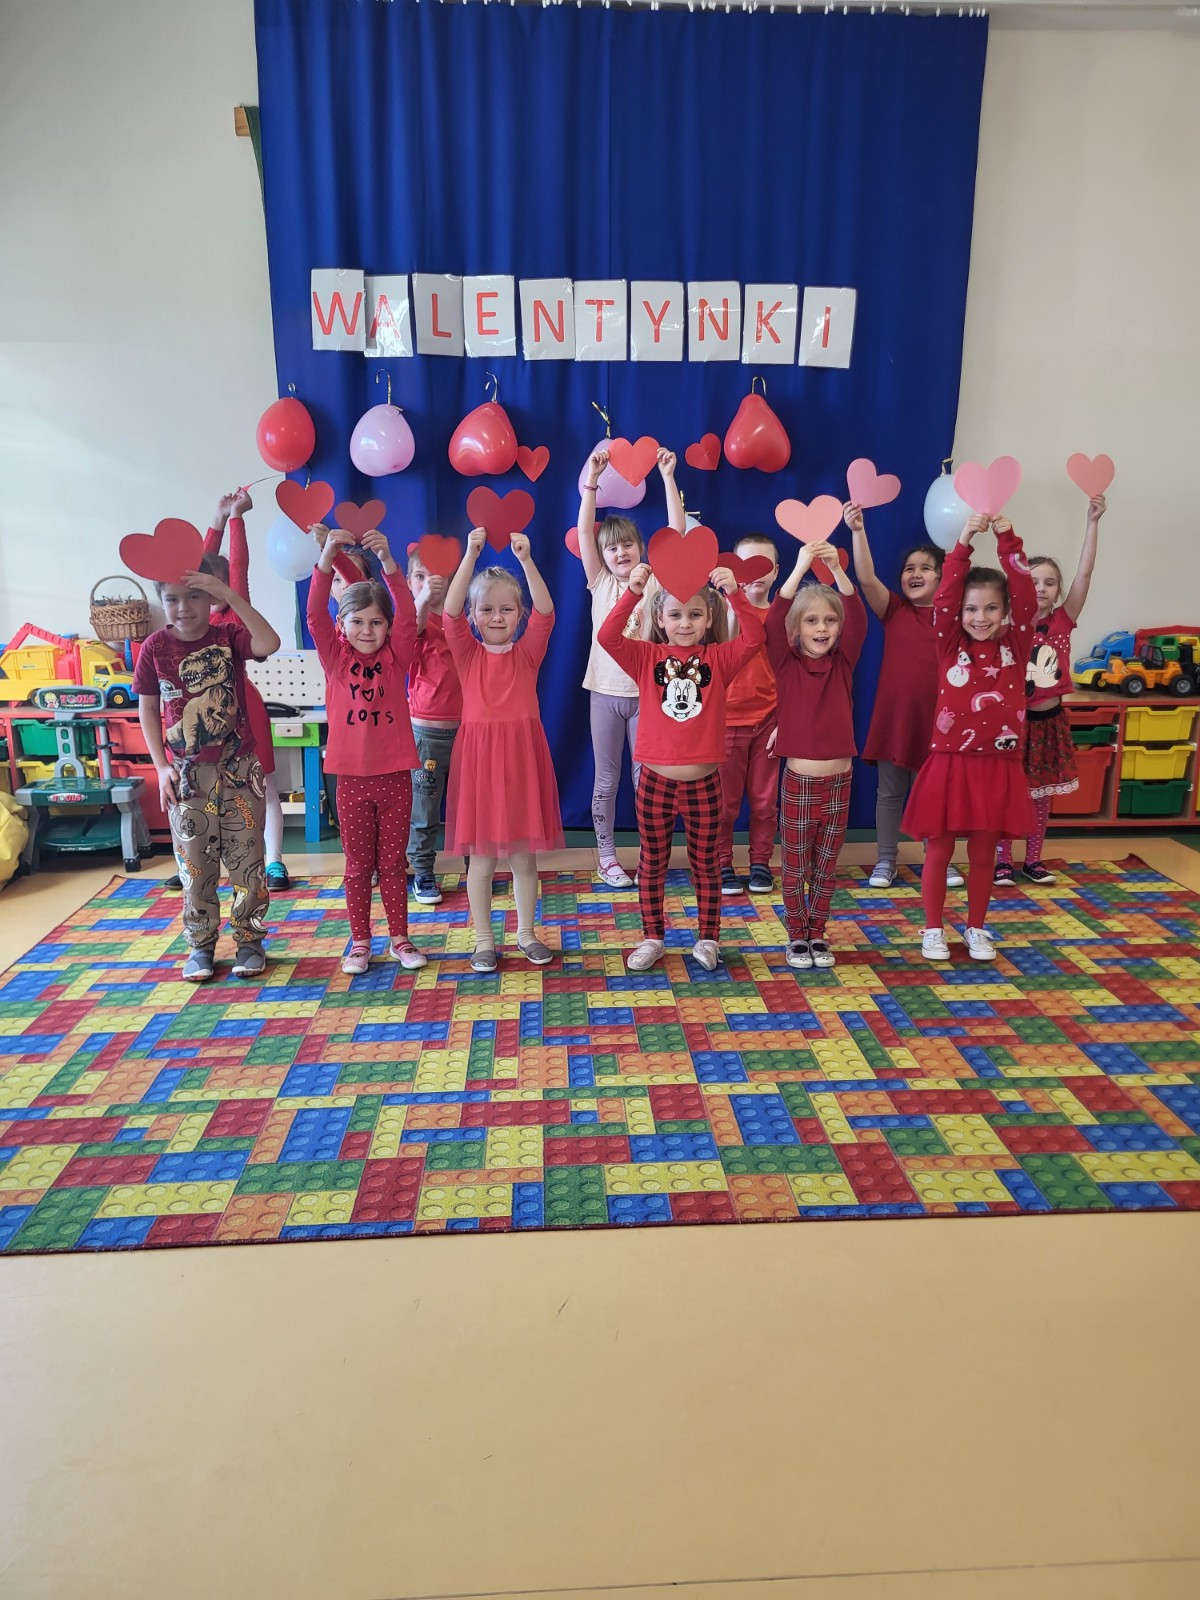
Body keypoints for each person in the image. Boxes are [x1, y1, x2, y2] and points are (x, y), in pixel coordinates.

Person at [597, 558, 764, 972]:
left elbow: (755, 638)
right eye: (675, 615)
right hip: (655, 782)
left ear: (708, 620)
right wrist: (633, 592)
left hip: (705, 783)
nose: (685, 623)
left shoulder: (719, 659)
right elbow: (607, 636)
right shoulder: (645, 656)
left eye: (694, 614)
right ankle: (653, 936)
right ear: (660, 619)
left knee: (706, 864)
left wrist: (734, 594)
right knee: (651, 863)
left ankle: (708, 938)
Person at [134, 562, 280, 982]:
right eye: (173, 599)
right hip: (186, 775)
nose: (183, 607)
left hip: (240, 770)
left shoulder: (227, 637)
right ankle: (201, 945)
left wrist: (229, 594)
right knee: (194, 864)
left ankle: (249, 941)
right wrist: (160, 766)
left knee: (248, 860)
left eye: (194, 596)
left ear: (210, 597)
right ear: (161, 601)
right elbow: (147, 708)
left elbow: (269, 641)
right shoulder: (154, 648)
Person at [903, 513, 1038, 962]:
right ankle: (932, 929)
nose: (981, 618)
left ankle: (976, 927)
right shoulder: (949, 644)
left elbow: (1024, 592)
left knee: (984, 854)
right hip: (950, 763)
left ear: (1006, 612)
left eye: (991, 608)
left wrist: (1006, 537)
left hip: (998, 766)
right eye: (972, 609)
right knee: (939, 851)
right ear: (958, 613)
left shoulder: (1016, 645)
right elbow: (945, 595)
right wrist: (963, 540)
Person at [443, 528, 563, 973]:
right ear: (474, 616)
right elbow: (449, 613)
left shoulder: (527, 654)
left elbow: (546, 613)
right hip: (479, 764)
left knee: (523, 859)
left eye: (507, 609)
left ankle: (526, 933)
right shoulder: (467, 654)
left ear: (519, 614)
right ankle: (483, 941)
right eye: (487, 609)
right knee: (481, 861)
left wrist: (527, 561)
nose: (497, 617)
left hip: (521, 762)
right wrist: (470, 555)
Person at [307, 526, 427, 975]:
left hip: (395, 777)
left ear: (388, 627)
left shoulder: (396, 657)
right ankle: (360, 942)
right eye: (357, 622)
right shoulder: (335, 659)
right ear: (342, 625)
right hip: (351, 780)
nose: (367, 630)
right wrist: (327, 556)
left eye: (376, 622)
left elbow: (408, 613)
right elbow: (315, 614)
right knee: (358, 866)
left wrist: (390, 563)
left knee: (393, 864)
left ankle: (400, 938)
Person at [578, 447, 682, 888]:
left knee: (647, 783)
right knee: (606, 781)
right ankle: (606, 857)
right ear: (603, 555)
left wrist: (667, 477)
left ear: (641, 548)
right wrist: (592, 483)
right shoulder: (600, 582)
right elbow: (584, 531)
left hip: (647, 696)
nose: (620, 553)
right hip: (605, 694)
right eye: (612, 547)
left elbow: (676, 533)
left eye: (627, 545)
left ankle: (651, 857)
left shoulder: (653, 581)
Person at [847, 506, 964, 892]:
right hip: (895, 719)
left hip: (940, 723)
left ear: (943, 576)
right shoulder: (895, 610)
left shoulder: (956, 618)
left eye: (925, 568)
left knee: (935, 795)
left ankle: (938, 857)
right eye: (909, 568)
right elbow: (866, 578)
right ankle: (885, 859)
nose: (915, 573)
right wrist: (858, 531)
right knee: (890, 793)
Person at [995, 493, 1106, 887]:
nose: (1040, 588)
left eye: (1049, 583)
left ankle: (1033, 859)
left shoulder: (1063, 620)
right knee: (1008, 793)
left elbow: (1084, 575)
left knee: (1041, 797)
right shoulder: (1008, 624)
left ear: (1058, 591)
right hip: (1015, 725)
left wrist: (1092, 523)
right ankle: (1002, 860)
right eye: (1033, 581)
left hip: (1050, 722)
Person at [766, 540, 867, 971]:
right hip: (800, 783)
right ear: (797, 629)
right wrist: (801, 566)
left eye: (829, 620)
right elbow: (773, 619)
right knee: (794, 866)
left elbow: (858, 616)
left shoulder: (844, 662)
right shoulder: (785, 662)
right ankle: (796, 935)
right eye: (811, 620)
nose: (822, 628)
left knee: (825, 866)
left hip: (840, 782)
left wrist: (836, 570)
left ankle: (817, 933)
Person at [202, 490, 290, 890]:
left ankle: (274, 862)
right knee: (204, 788)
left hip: (244, 709)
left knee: (264, 785)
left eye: (219, 586)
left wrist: (235, 518)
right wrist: (217, 519)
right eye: (205, 586)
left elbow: (238, 569)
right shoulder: (193, 621)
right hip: (205, 714)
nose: (212, 594)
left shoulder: (235, 614)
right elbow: (195, 567)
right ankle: (196, 859)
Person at [717, 534, 780, 897]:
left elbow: (790, 673)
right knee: (723, 805)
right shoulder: (721, 612)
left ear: (776, 572)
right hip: (724, 723)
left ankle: (760, 863)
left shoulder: (782, 615)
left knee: (764, 802)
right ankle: (721, 863)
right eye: (746, 564)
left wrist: (783, 721)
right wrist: (732, 599)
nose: (755, 572)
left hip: (768, 723)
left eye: (763, 564)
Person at [405, 548, 463, 905]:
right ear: (409, 582)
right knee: (425, 808)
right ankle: (423, 870)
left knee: (469, 805)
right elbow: (408, 635)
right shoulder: (413, 623)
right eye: (420, 576)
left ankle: (477, 866)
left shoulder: (461, 620)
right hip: (427, 732)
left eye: (438, 575)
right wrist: (423, 600)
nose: (431, 582)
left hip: (467, 730)